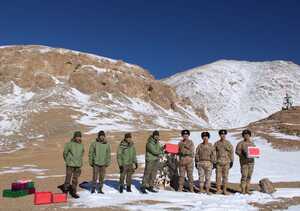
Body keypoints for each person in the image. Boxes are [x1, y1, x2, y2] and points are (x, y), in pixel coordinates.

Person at [61, 131, 84, 199]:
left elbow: (82, 154)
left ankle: (73, 192)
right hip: (70, 165)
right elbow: (65, 153)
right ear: (74, 137)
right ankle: (65, 190)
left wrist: (80, 162)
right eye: (77, 136)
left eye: (79, 136)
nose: (78, 138)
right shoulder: (69, 144)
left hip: (78, 165)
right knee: (68, 178)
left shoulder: (81, 145)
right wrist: (67, 161)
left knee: (75, 180)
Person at [235, 129, 256, 194]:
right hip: (244, 162)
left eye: (247, 135)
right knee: (244, 176)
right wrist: (242, 154)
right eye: (245, 135)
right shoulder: (240, 143)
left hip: (251, 162)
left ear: (249, 135)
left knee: (249, 176)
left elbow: (255, 151)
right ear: (243, 136)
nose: (246, 136)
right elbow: (237, 151)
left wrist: (256, 154)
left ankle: (247, 189)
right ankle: (243, 190)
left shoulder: (252, 144)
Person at [214, 129, 234, 195]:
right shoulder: (216, 143)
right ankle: (218, 190)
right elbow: (214, 153)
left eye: (224, 134)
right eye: (221, 134)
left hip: (226, 162)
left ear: (225, 135)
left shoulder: (228, 143)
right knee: (218, 177)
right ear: (219, 135)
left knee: (225, 177)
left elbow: (231, 152)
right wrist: (214, 161)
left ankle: (225, 190)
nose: (223, 135)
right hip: (218, 163)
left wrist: (232, 161)